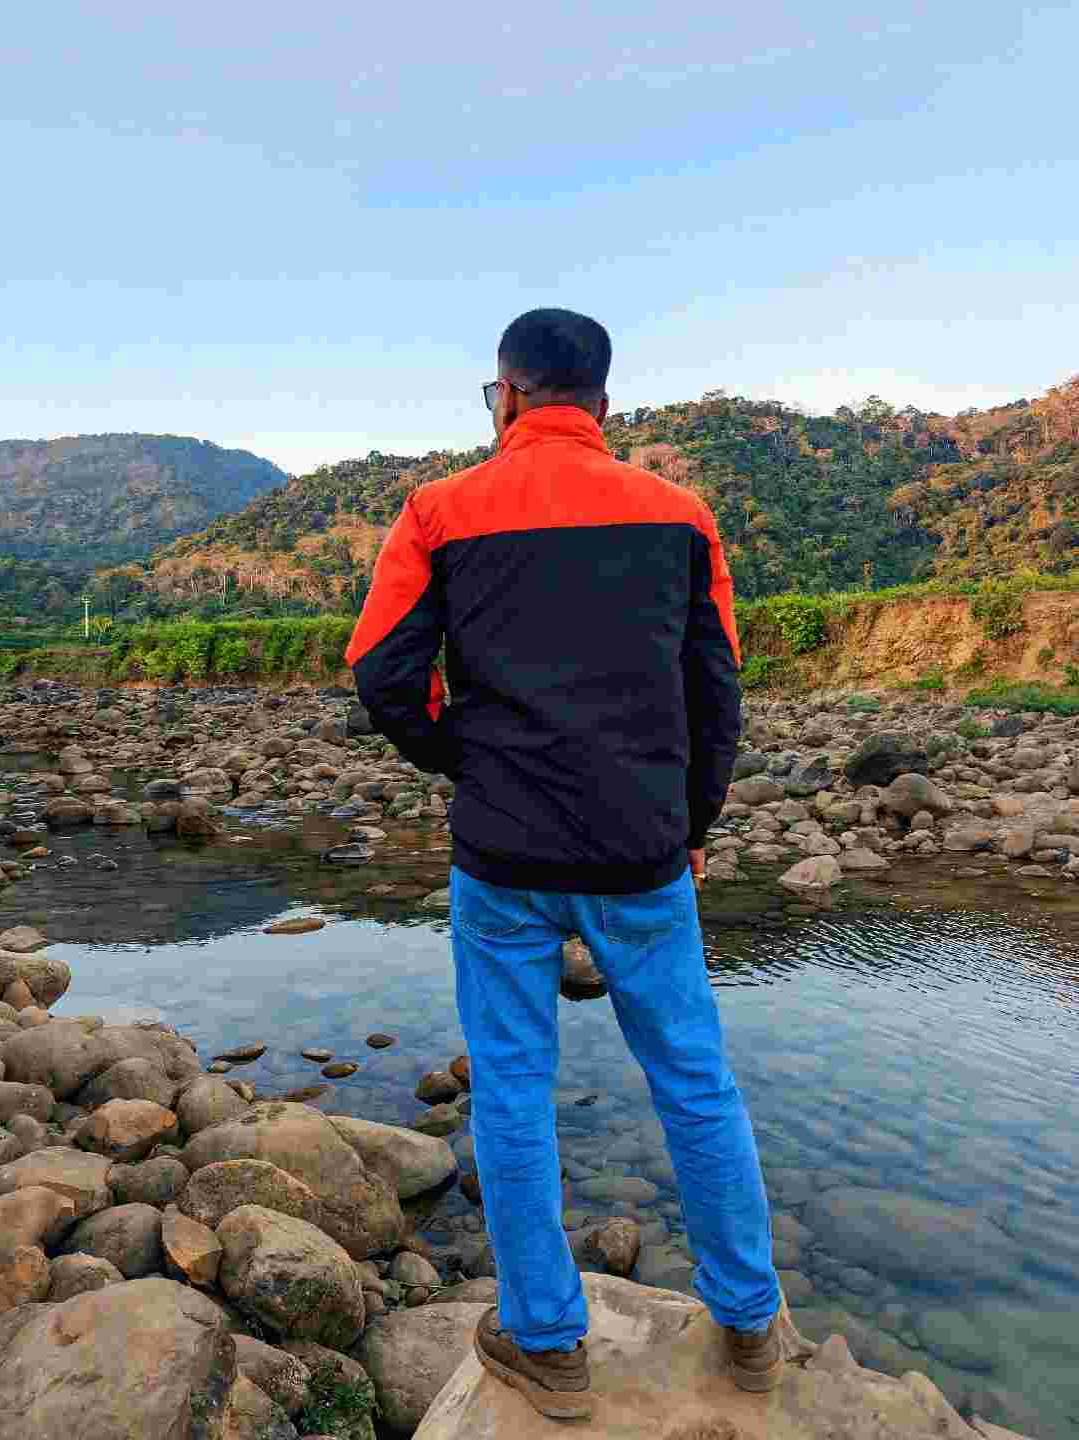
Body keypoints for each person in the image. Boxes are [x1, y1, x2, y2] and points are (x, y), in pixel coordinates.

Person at [345, 308, 782, 1421]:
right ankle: (748, 1325)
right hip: (643, 850)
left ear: (505, 396)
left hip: (503, 855)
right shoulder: (681, 515)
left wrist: (465, 757)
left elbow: (382, 671)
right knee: (695, 1080)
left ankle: (547, 1342)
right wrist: (692, 820)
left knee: (512, 1089)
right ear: (603, 405)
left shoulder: (440, 510)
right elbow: (716, 688)